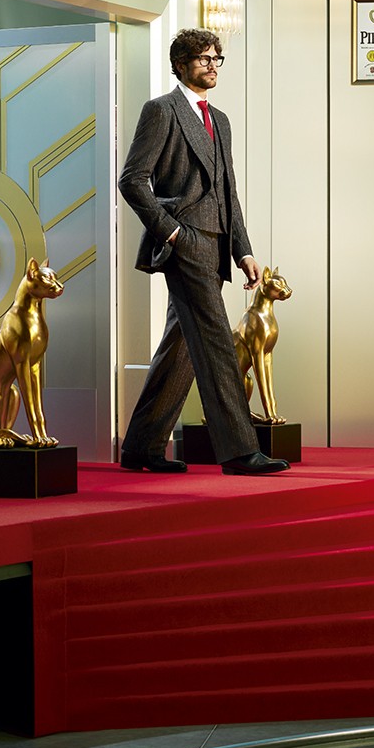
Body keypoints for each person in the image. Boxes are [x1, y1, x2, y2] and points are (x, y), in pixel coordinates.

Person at [115, 29, 288, 474]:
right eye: (202, 58)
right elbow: (132, 180)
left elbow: (229, 191)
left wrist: (243, 251)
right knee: (217, 344)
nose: (212, 65)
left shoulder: (221, 120)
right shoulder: (161, 110)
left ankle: (141, 447)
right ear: (180, 65)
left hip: (216, 243)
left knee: (181, 347)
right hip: (185, 241)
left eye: (216, 58)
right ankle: (239, 451)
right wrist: (172, 232)